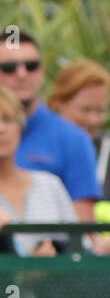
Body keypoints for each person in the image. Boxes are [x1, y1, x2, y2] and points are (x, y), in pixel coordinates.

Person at [0, 29, 99, 218]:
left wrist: (51, 246)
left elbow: (82, 232)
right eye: (9, 67)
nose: (21, 74)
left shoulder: (73, 140)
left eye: (31, 65)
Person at [45, 58, 110, 206]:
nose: (94, 120)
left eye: (101, 111)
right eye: (85, 109)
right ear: (58, 103)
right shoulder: (34, 149)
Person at [0, 88, 76, 256]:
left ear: (20, 127)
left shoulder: (49, 184)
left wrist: (54, 253)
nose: (1, 128)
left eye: (7, 119)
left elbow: (78, 248)